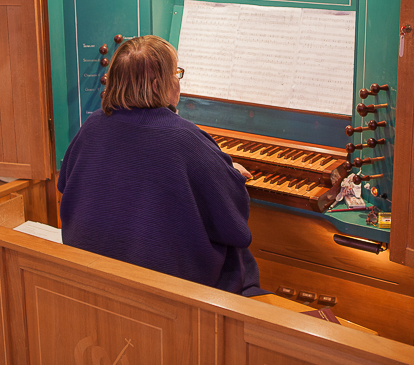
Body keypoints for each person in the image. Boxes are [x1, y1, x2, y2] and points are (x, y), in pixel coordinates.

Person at [58, 35, 263, 296]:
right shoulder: (185, 138)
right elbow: (235, 225)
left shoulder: (92, 125)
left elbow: (66, 185)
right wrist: (229, 173)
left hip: (93, 275)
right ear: (157, 86)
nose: (178, 81)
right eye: (175, 74)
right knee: (239, 258)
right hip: (165, 292)